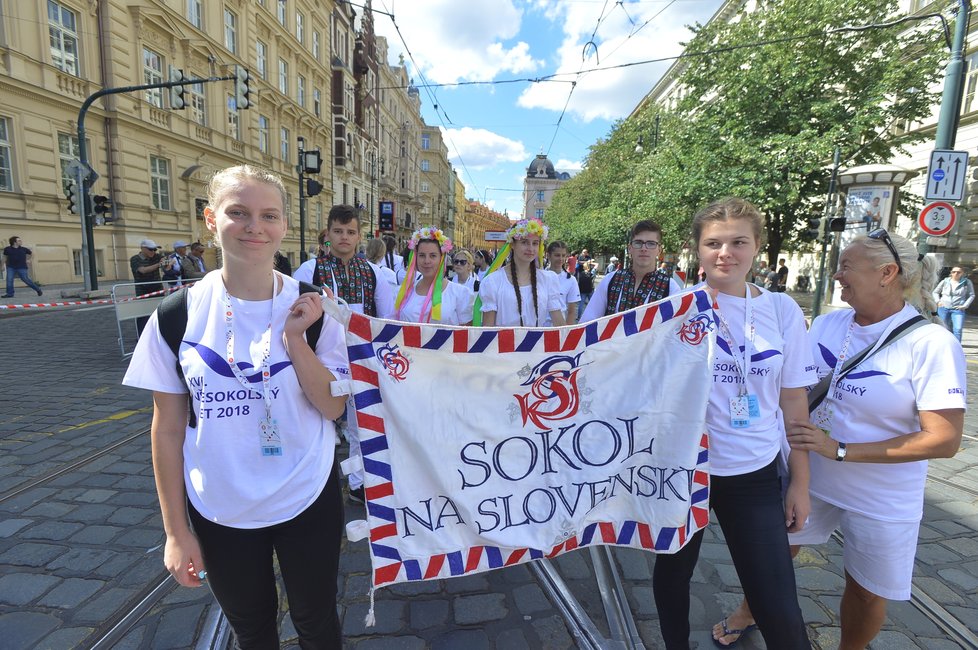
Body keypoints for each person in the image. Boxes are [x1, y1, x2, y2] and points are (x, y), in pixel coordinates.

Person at [122, 165, 350, 648]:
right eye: (238, 213)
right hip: (219, 502)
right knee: (252, 630)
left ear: (285, 225)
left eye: (269, 215)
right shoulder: (176, 314)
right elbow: (165, 431)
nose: (255, 227)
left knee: (317, 623)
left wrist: (296, 341)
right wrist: (175, 532)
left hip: (305, 492)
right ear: (211, 218)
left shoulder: (313, 308)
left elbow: (333, 410)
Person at [721, 230, 966, 650]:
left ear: (887, 273)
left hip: (881, 494)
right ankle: (749, 610)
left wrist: (840, 449)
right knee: (777, 554)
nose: (836, 274)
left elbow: (944, 440)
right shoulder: (831, 323)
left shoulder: (931, 343)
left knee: (867, 589)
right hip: (811, 476)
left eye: (847, 266)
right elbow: (792, 384)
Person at [652, 197, 814, 650]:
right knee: (673, 575)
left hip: (754, 471)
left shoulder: (782, 310)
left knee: (778, 603)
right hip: (686, 469)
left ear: (756, 247)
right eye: (714, 243)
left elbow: (794, 401)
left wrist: (799, 484)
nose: (726, 252)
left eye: (738, 242)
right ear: (697, 250)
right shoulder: (675, 309)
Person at [293, 205, 394, 318]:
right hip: (321, 336)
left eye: (351, 232)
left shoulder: (374, 272)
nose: (344, 237)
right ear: (328, 235)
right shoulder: (309, 270)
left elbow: (387, 318)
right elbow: (293, 314)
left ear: (359, 237)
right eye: (338, 231)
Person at [580, 220, 684, 322]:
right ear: (630, 248)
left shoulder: (670, 288)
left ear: (659, 250)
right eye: (638, 243)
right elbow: (587, 323)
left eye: (651, 243)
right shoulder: (611, 280)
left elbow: (675, 332)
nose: (644, 248)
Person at [479, 219, 566, 327]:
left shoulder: (548, 279)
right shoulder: (493, 281)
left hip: (537, 343)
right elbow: (488, 328)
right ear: (512, 245)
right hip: (504, 343)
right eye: (524, 242)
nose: (530, 248)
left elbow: (559, 324)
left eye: (535, 243)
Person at [394, 226, 475, 325]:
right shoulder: (403, 292)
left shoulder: (460, 294)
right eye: (422, 255)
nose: (427, 261)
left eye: (433, 256)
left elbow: (466, 335)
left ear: (441, 259)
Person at [130, 239, 170, 336]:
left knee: (160, 313)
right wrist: (159, 265)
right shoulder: (135, 259)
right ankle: (142, 336)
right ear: (143, 248)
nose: (153, 252)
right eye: (150, 249)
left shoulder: (157, 256)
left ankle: (159, 334)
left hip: (157, 289)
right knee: (143, 315)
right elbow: (143, 270)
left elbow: (167, 267)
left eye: (154, 250)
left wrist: (167, 263)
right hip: (143, 290)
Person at [544, 241, 581, 324]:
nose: (561, 259)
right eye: (557, 255)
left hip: (559, 326)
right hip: (538, 327)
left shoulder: (571, 280)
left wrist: (566, 333)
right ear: (548, 255)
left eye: (563, 255)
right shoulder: (539, 277)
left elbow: (571, 311)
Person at [933, 266, 974, 341]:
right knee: (943, 328)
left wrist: (965, 305)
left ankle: (957, 348)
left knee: (958, 329)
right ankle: (944, 345)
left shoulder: (966, 282)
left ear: (962, 273)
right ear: (951, 273)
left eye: (959, 272)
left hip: (958, 309)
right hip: (943, 308)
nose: (956, 273)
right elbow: (935, 292)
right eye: (954, 272)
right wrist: (938, 301)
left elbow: (971, 295)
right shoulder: (945, 281)